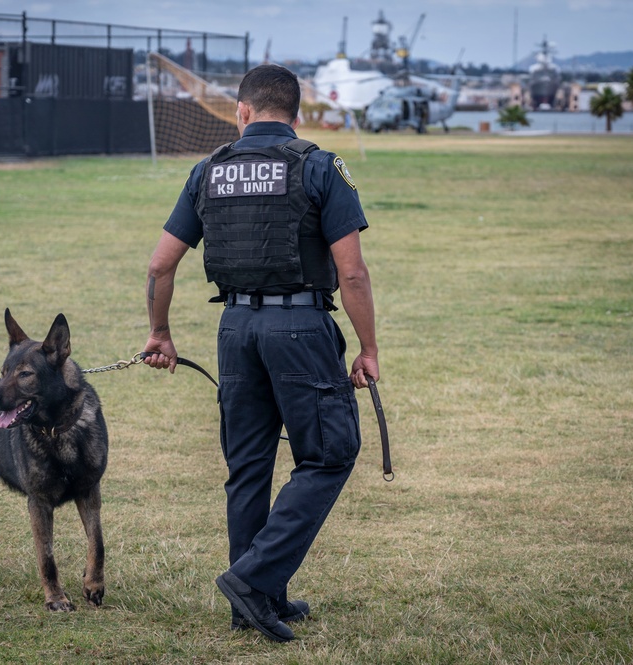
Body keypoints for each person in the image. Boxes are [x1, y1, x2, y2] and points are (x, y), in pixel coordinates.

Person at [142, 64, 378, 642]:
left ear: (241, 111)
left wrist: (160, 333)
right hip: (300, 327)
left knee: (247, 468)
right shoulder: (318, 166)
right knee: (328, 455)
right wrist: (368, 348)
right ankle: (253, 582)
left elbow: (160, 264)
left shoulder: (208, 171)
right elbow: (352, 271)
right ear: (295, 116)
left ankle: (256, 599)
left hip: (235, 330)